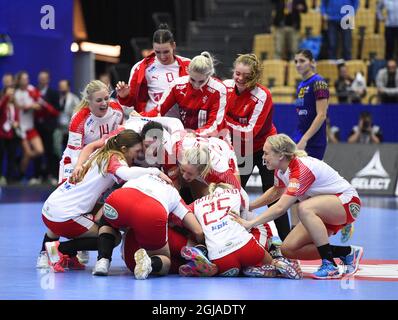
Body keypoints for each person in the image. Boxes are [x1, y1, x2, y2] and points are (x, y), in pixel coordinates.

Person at [232, 134, 364, 280]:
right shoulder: (281, 170)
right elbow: (276, 192)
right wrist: (248, 206)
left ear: (281, 155)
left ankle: (330, 265)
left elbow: (280, 208)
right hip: (325, 211)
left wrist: (250, 223)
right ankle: (347, 253)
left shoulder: (301, 169)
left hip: (347, 202)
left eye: (266, 153)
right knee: (288, 249)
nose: (263, 157)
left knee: (304, 208)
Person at [40, 130, 172, 272]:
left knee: (98, 212)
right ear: (124, 149)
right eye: (137, 151)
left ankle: (47, 254)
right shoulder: (114, 158)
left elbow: (89, 146)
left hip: (50, 208)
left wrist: (79, 165)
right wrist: (155, 172)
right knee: (111, 237)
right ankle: (59, 250)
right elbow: (126, 174)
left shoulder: (106, 148)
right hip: (64, 218)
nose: (138, 155)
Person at [223, 53, 290, 241]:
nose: (240, 79)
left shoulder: (262, 95)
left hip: (265, 148)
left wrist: (223, 122)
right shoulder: (226, 87)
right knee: (234, 193)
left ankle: (287, 244)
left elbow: (249, 133)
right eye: (237, 73)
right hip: (241, 150)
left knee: (274, 194)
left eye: (247, 76)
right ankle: (232, 240)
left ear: (255, 76)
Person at [93, 173, 205, 279]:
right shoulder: (173, 193)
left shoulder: (140, 177)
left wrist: (119, 228)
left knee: (107, 221)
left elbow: (98, 217)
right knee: (166, 259)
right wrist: (204, 246)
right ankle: (150, 264)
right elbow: (198, 231)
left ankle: (103, 259)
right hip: (151, 212)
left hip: (121, 198)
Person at [180, 182, 302, 279]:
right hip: (246, 247)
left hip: (221, 258)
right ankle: (276, 264)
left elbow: (181, 214)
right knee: (260, 228)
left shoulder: (196, 204)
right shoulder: (236, 192)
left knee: (207, 243)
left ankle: (209, 264)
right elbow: (248, 209)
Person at [141, 51, 227, 137]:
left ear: (209, 75)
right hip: (184, 135)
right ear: (187, 71)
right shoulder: (177, 85)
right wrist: (141, 116)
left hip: (211, 138)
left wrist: (195, 134)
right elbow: (159, 110)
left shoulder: (219, 90)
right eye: (192, 80)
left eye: (201, 81)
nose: (196, 85)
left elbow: (215, 125)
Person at [58, 80, 124, 185]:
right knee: (68, 194)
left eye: (106, 98)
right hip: (75, 160)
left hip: (102, 159)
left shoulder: (117, 111)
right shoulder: (79, 119)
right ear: (89, 101)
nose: (104, 103)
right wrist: (81, 168)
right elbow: (74, 154)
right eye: (99, 100)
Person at [116, 24, 190, 116]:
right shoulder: (141, 68)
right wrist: (124, 96)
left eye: (166, 52)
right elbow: (131, 102)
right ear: (153, 48)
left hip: (181, 120)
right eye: (157, 52)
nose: (162, 57)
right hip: (152, 119)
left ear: (174, 46)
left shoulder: (189, 65)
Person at [13, 71, 44, 183]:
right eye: (24, 79)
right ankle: (21, 175)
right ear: (19, 81)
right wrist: (30, 105)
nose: (26, 81)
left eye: (27, 78)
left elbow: (39, 103)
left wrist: (37, 105)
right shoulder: (16, 93)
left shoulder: (31, 89)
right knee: (28, 153)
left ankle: (19, 163)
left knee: (39, 150)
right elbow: (17, 107)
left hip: (31, 126)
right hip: (21, 128)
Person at [34, 70, 61, 185]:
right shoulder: (34, 92)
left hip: (49, 128)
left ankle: (51, 175)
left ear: (48, 80)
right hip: (36, 127)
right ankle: (38, 176)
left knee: (50, 152)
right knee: (38, 152)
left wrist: (44, 105)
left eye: (44, 78)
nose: (42, 80)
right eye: (41, 78)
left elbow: (56, 111)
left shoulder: (54, 93)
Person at [0, 76, 20, 185]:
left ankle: (9, 177)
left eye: (12, 94)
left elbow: (16, 118)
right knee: (1, 156)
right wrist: (6, 97)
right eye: (9, 94)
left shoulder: (14, 106)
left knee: (11, 156)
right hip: (2, 134)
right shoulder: (3, 104)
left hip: (12, 134)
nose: (11, 96)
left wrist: (16, 122)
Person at [54, 80, 80, 159]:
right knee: (56, 147)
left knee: (71, 149)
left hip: (70, 128)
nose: (62, 89)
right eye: (60, 87)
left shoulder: (74, 98)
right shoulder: (57, 98)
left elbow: (78, 112)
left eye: (63, 87)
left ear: (68, 87)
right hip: (59, 127)